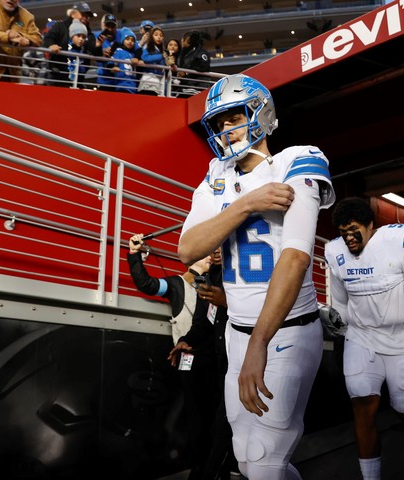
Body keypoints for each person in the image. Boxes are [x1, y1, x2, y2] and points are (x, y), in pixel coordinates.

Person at [177, 73, 335, 480]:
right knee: (246, 457)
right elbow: (187, 249)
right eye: (218, 123)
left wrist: (259, 343)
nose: (225, 130)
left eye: (233, 118)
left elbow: (296, 257)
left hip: (287, 330)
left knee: (265, 460)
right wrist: (246, 205)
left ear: (262, 113)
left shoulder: (296, 161)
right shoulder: (216, 176)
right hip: (236, 331)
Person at [324, 197, 404, 480]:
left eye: (354, 230)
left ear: (370, 224)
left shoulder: (396, 241)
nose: (349, 238)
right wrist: (338, 325)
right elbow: (341, 302)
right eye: (343, 232)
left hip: (403, 341)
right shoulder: (336, 252)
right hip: (362, 338)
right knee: (363, 406)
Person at [168, 247, 239, 479]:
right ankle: (201, 468)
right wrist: (186, 341)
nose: (216, 251)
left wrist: (227, 302)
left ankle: (214, 471)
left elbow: (260, 312)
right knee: (198, 417)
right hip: (212, 362)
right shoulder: (207, 279)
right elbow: (202, 322)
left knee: (224, 426)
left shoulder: (243, 276)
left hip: (238, 363)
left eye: (222, 245)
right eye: (212, 246)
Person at [127, 233, 210, 345]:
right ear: (191, 257)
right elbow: (146, 284)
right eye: (205, 253)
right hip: (187, 353)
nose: (210, 257)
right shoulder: (177, 283)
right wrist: (134, 253)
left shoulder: (214, 283)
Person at [43, 2, 100, 87]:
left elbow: (95, 52)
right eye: (83, 14)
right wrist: (51, 45)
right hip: (58, 76)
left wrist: (98, 47)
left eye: (87, 16)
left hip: (79, 78)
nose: (85, 18)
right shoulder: (60, 26)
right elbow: (48, 38)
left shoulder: (89, 33)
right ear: (73, 14)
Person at [176, 30, 211, 97]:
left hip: (197, 87)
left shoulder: (200, 52)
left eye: (184, 39)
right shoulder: (183, 53)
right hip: (186, 86)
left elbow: (203, 65)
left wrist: (186, 72)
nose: (182, 42)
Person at [95, 13, 121, 91]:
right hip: (104, 82)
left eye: (112, 26)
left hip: (120, 82)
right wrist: (101, 52)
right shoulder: (96, 37)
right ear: (102, 25)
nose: (110, 29)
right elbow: (90, 55)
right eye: (107, 25)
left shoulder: (121, 35)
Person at [108, 28, 139, 94]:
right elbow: (111, 63)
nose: (130, 42)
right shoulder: (118, 51)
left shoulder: (134, 54)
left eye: (132, 40)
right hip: (122, 86)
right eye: (127, 39)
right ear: (123, 40)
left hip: (133, 87)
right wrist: (113, 68)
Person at [137, 25, 165, 96]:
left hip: (158, 81)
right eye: (156, 35)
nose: (159, 37)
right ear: (151, 36)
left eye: (161, 35)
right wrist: (161, 56)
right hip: (148, 80)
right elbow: (145, 58)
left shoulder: (162, 51)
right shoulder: (148, 45)